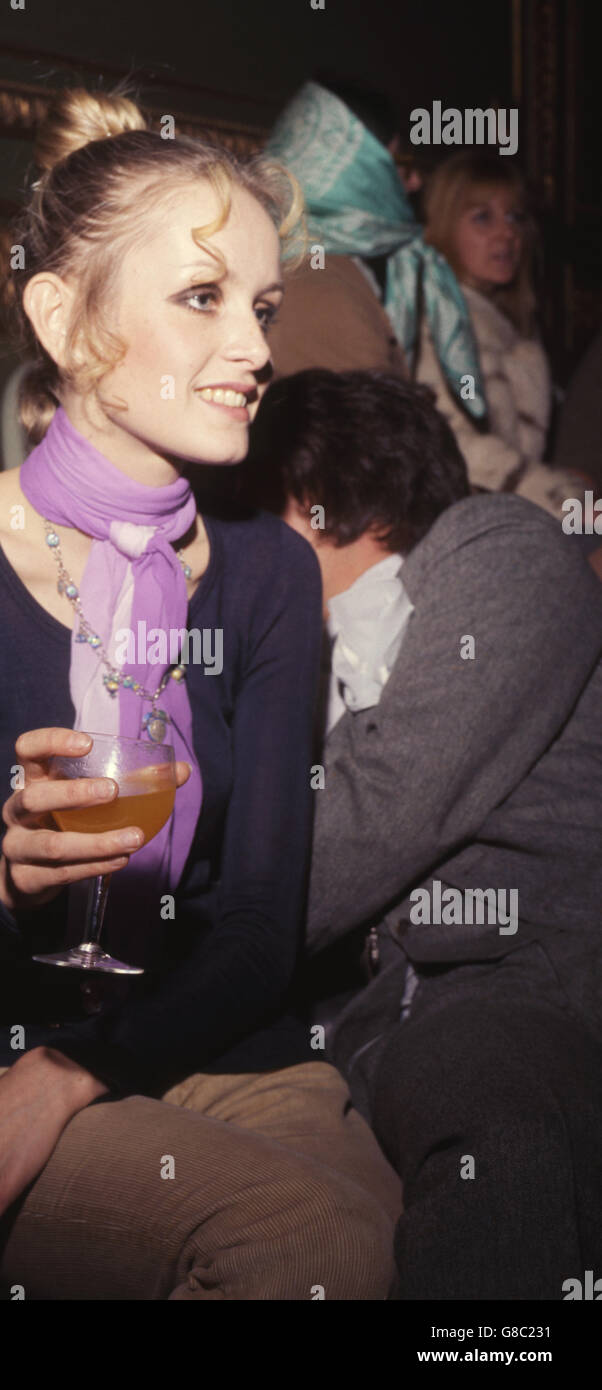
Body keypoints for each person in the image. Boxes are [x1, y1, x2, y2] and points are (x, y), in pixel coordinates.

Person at [0, 88, 401, 1301]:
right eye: (202, 300)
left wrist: (67, 1081)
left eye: (258, 307)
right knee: (307, 1243)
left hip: (217, 1037)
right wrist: (7, 891)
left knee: (390, 1239)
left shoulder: (264, 572)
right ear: (64, 316)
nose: (255, 349)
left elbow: (255, 931)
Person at [250, 366, 602, 1300]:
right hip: (353, 1019)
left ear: (314, 497)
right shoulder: (289, 642)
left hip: (514, 980)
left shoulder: (498, 544)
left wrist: (201, 929)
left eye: (249, 511)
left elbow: (389, 798)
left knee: (500, 1113)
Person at [262, 81, 482, 408]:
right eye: (396, 163)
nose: (415, 181)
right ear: (354, 172)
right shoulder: (318, 279)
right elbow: (368, 437)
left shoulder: (301, 259)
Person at [419, 151, 592, 520]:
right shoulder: (439, 322)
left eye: (515, 217)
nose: (508, 233)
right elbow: (461, 449)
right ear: (445, 226)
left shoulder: (507, 325)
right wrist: (567, 500)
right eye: (483, 217)